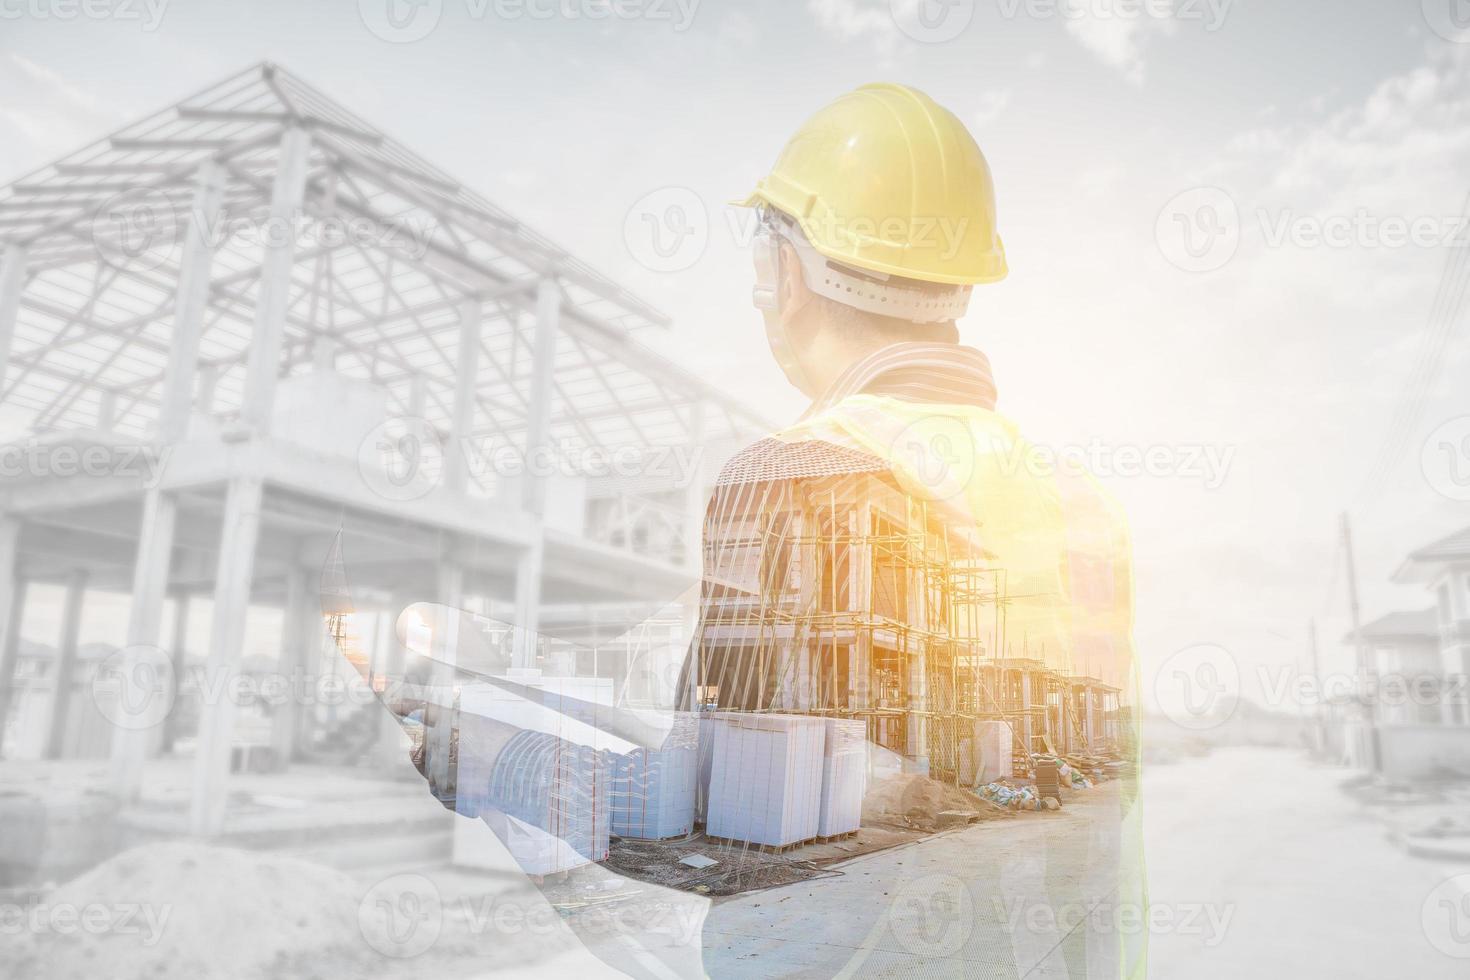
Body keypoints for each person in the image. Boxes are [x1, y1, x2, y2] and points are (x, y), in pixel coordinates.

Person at [335, 81, 1144, 979]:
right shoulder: (1084, 504)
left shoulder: (796, 470)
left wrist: (495, 763)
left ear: (788, 270)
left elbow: (718, 838)